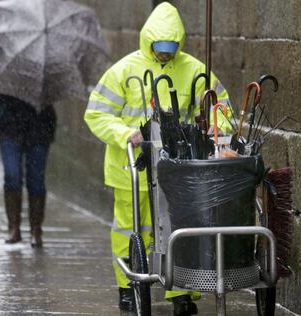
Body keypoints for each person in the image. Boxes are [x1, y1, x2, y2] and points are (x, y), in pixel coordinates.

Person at [84, 2, 231, 315]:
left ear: (178, 44)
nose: (165, 54)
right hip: (132, 167)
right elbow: (96, 113)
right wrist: (125, 133)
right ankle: (127, 286)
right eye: (159, 48)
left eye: (170, 48)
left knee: (178, 228)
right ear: (147, 41)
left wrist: (216, 132)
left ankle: (181, 292)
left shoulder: (195, 70)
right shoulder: (124, 71)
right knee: (131, 228)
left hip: (179, 169)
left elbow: (222, 110)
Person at [0, 92, 57, 248]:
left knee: (36, 180)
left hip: (40, 129)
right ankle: (13, 228)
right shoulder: (7, 72)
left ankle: (36, 230)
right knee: (12, 175)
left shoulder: (46, 72)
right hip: (10, 128)